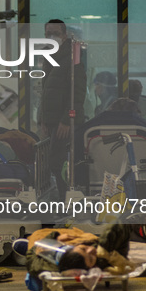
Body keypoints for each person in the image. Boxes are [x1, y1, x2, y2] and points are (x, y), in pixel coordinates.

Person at [38, 19, 87, 202]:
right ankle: (62, 201)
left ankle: (67, 202)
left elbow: (78, 91)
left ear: (64, 36)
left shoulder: (72, 59)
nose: (51, 37)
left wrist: (67, 119)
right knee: (55, 163)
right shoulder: (49, 58)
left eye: (55, 34)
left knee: (60, 164)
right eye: (48, 34)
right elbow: (46, 92)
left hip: (65, 122)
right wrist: (43, 120)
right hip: (52, 122)